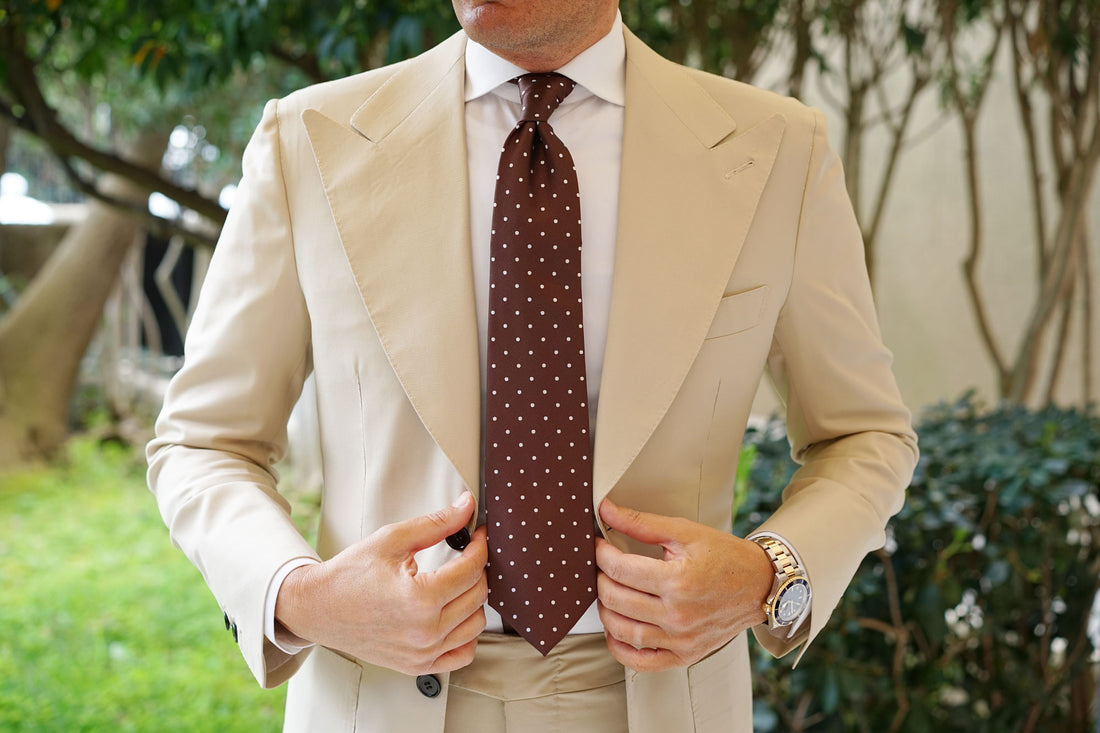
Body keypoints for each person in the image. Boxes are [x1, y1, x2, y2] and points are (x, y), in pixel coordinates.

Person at [147, 1, 918, 731]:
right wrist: (306, 597)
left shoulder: (778, 150)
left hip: (664, 701)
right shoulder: (307, 139)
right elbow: (202, 441)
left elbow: (864, 434)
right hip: (375, 700)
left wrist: (767, 575)